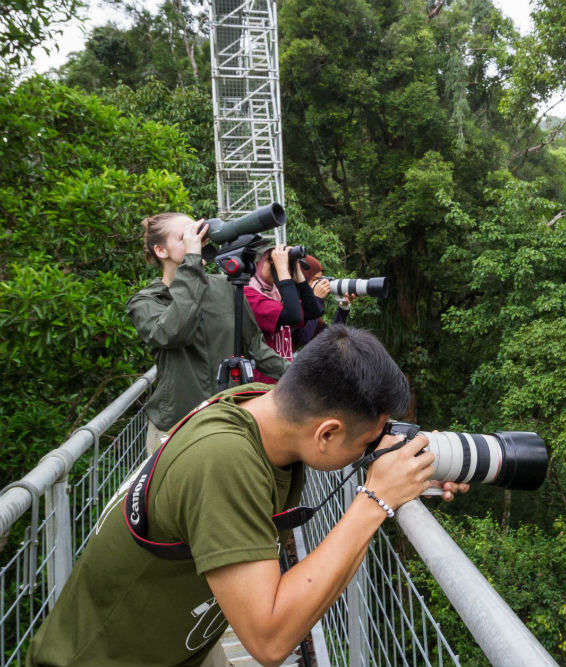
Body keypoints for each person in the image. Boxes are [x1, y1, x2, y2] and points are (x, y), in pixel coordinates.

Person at [27, 325, 469, 667]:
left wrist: (402, 474)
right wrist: (376, 500)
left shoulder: (258, 405)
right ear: (327, 433)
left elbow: (344, 454)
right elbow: (269, 640)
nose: (366, 452)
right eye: (363, 444)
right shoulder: (223, 461)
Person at [128, 213, 290, 455]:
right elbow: (173, 333)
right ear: (161, 251)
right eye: (185, 237)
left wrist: (302, 376)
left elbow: (256, 347)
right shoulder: (148, 301)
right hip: (175, 426)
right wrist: (192, 260)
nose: (196, 240)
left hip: (225, 420)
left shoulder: (227, 288)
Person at [242, 245, 324, 382]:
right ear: (257, 264)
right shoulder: (248, 294)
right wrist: (282, 271)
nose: (278, 265)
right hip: (262, 384)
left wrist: (295, 269)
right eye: (270, 260)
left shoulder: (278, 293)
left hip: (282, 380)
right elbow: (293, 316)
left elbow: (313, 311)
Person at [292, 255, 356, 350]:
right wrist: (315, 299)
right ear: (301, 280)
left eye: (320, 280)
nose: (319, 285)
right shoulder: (289, 304)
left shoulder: (307, 307)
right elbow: (302, 337)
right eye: (315, 280)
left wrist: (343, 308)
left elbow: (331, 338)